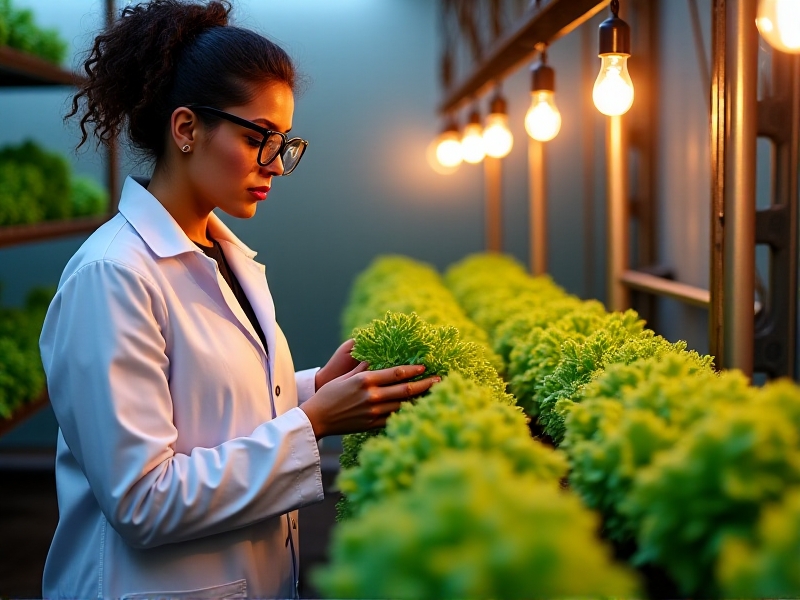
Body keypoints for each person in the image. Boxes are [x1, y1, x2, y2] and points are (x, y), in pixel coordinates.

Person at [38, 1, 440, 598]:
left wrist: (311, 389)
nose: (276, 165)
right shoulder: (112, 276)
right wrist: (314, 423)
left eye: (284, 142)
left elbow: (211, 410)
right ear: (186, 129)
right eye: (258, 138)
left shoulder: (224, 255)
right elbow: (143, 501)